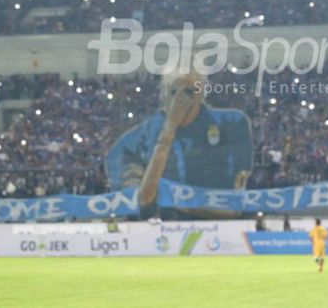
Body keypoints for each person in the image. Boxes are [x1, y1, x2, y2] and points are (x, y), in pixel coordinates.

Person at [105, 70, 253, 213]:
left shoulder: (231, 123)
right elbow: (141, 200)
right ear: (164, 93)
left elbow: (239, 187)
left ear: (202, 93)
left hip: (216, 217)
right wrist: (169, 128)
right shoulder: (136, 140)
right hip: (163, 221)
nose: (182, 100)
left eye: (189, 92)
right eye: (174, 92)